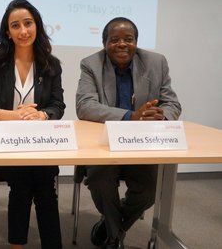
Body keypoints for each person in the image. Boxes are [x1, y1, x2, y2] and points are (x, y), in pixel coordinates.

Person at [75, 17, 181, 249]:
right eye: (114, 40)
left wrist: (160, 115)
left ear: (136, 42)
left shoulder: (156, 62)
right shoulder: (91, 64)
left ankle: (113, 226)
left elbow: (172, 103)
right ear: (105, 44)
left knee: (151, 188)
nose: (122, 44)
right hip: (104, 145)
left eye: (128, 39)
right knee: (100, 180)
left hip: (142, 144)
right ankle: (114, 238)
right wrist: (130, 116)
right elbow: (85, 106)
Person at [0, 0, 65, 249]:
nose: (23, 31)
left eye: (28, 23)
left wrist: (42, 115)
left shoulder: (51, 64)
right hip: (4, 143)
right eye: (15, 25)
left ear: (37, 25)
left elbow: (58, 106)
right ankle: (19, 244)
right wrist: (14, 116)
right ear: (8, 31)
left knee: (45, 184)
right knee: (25, 180)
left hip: (39, 142)